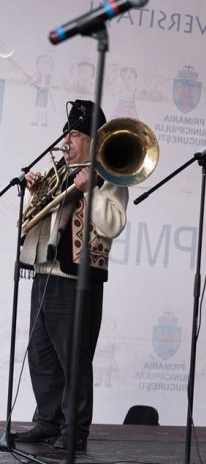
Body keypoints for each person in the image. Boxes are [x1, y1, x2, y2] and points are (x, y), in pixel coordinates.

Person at [15, 100, 129, 451]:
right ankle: (47, 422)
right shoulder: (59, 172)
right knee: (42, 355)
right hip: (45, 272)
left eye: (75, 135)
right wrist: (35, 193)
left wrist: (90, 189)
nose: (67, 141)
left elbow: (112, 224)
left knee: (73, 359)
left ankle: (74, 431)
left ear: (94, 141)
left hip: (76, 278)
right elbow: (37, 222)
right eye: (66, 134)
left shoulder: (109, 176)